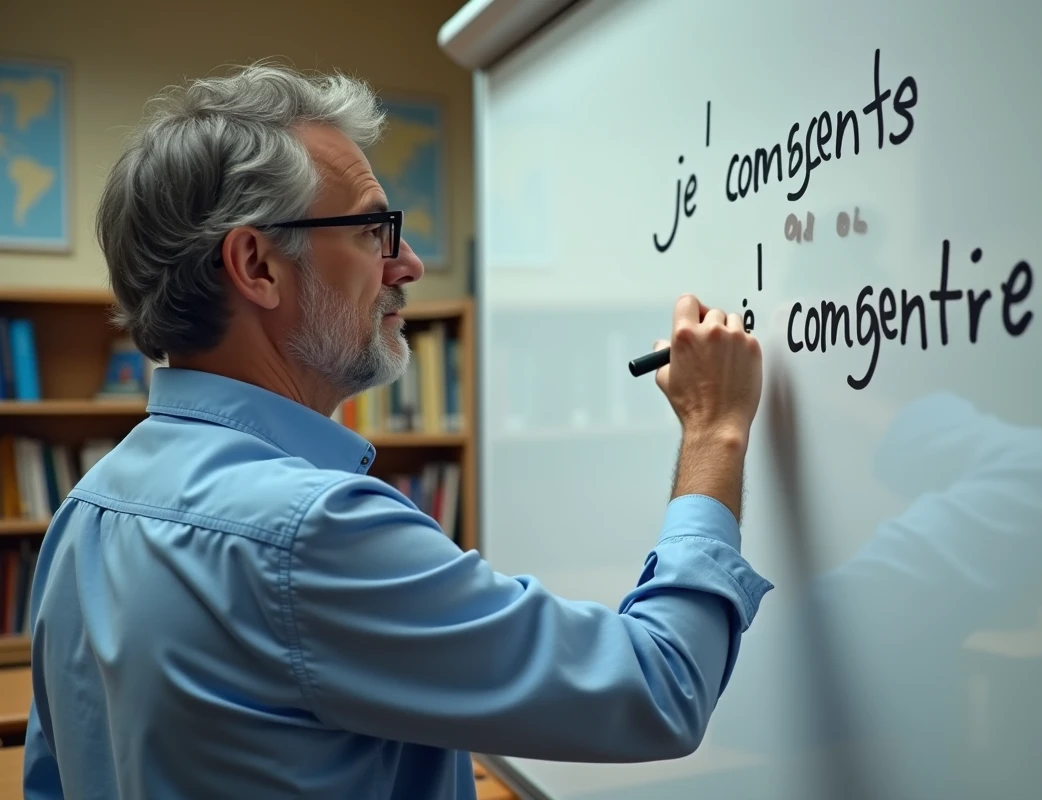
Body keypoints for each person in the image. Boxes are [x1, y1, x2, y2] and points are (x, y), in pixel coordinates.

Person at [22, 63, 773, 800]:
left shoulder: (84, 515)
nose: (408, 264)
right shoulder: (309, 535)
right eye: (374, 230)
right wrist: (714, 435)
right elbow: (657, 689)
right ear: (257, 266)